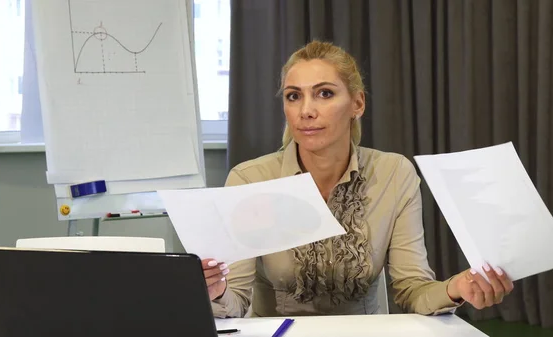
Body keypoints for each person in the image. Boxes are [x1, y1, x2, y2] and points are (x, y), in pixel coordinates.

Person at [201, 41, 514, 318]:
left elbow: (413, 290)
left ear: (357, 104)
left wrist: (457, 287)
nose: (306, 110)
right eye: (293, 96)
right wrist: (216, 290)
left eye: (324, 94)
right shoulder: (250, 178)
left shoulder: (394, 173)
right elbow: (237, 301)